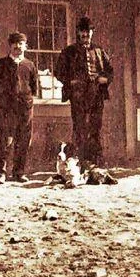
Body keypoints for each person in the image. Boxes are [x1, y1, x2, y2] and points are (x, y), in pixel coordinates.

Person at [54, 16, 113, 167]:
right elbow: (58, 72)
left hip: (96, 94)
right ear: (78, 33)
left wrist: (104, 79)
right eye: (82, 33)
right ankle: (79, 160)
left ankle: (95, 161)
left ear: (92, 33)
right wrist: (70, 81)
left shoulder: (99, 51)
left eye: (88, 33)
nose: (85, 36)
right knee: (79, 127)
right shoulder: (69, 52)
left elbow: (109, 71)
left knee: (95, 127)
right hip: (78, 95)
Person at [0, 32, 38, 184]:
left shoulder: (30, 65)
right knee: (4, 141)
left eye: (20, 43)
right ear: (10, 46)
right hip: (7, 108)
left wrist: (26, 99)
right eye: (14, 44)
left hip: (25, 109)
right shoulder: (1, 64)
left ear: (25, 46)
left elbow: (34, 87)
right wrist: (3, 99)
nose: (17, 46)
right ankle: (0, 174)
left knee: (23, 141)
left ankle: (19, 172)